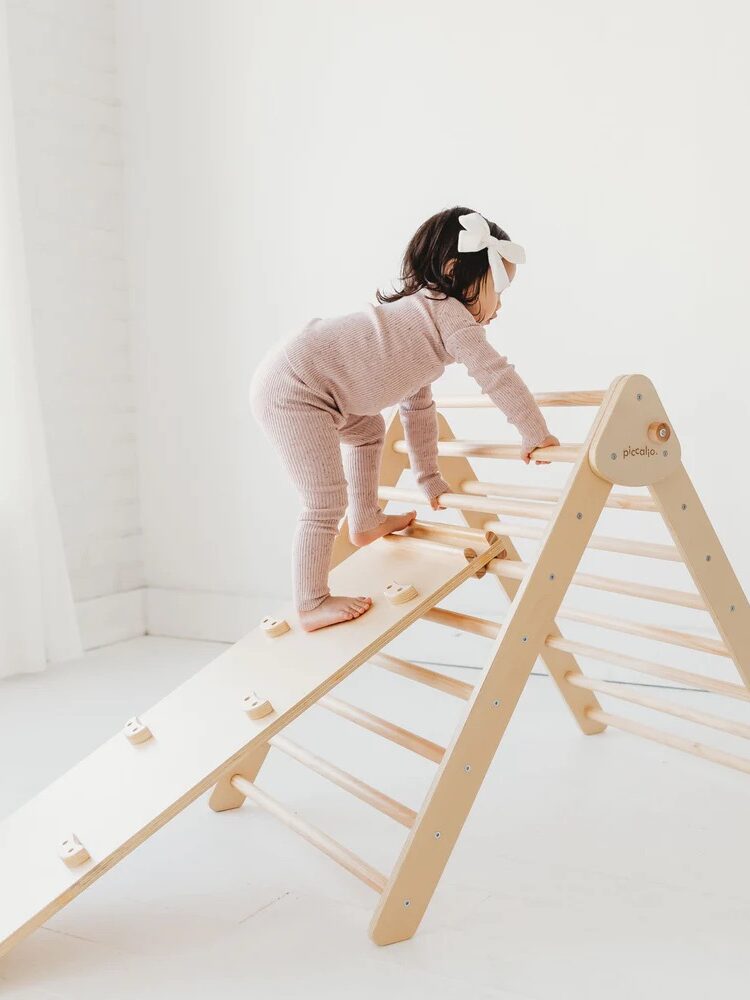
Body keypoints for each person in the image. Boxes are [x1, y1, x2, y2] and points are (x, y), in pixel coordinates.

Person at [249, 206, 560, 632]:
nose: (500, 306)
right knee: (323, 500)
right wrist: (535, 433)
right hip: (295, 387)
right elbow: (495, 374)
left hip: (313, 384)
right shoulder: (450, 317)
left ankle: (365, 521)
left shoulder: (422, 325)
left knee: (369, 429)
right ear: (455, 271)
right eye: (498, 290)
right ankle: (311, 602)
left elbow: (417, 408)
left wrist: (429, 477)